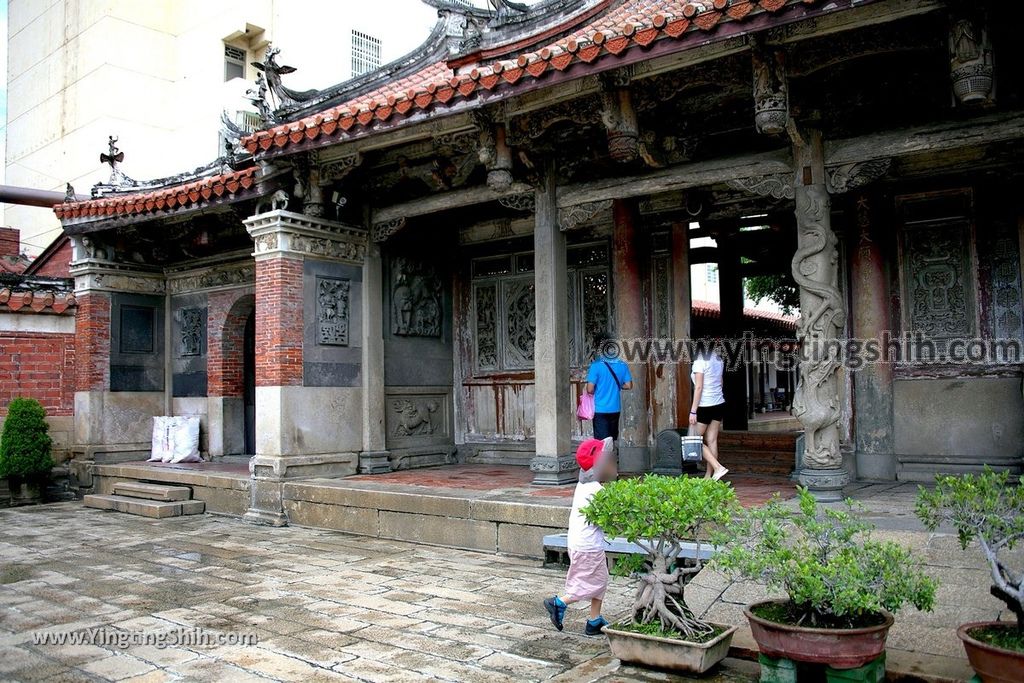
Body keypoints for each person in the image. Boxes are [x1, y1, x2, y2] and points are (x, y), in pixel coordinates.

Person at [543, 437, 617, 636]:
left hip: (581, 542)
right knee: (587, 584)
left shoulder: (584, 486)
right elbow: (604, 520)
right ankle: (559, 603)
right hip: (588, 546)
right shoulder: (596, 490)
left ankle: (594, 620)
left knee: (600, 579)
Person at [689, 343, 729, 481]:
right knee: (711, 441)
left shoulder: (699, 362)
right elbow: (721, 383)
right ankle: (709, 476)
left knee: (693, 440)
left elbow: (698, 387)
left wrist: (693, 411)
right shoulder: (718, 359)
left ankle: (718, 468)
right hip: (718, 402)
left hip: (705, 404)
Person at [586, 332, 633, 441]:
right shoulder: (622, 365)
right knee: (612, 440)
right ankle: (613, 458)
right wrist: (616, 386)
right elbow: (628, 385)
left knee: (602, 443)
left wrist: (596, 390)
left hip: (600, 409)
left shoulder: (596, 366)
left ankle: (604, 458)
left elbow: (590, 389)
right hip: (615, 409)